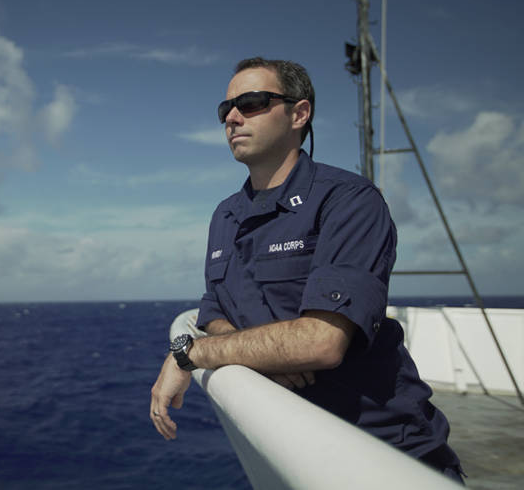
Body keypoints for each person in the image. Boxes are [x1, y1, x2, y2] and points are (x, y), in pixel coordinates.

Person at [149, 57, 464, 484]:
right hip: (291, 448)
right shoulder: (226, 216)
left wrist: (190, 354)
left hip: (382, 449)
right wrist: (266, 355)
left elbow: (322, 342)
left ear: (299, 113)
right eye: (226, 109)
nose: (233, 117)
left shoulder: (348, 201)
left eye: (252, 102)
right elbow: (213, 312)